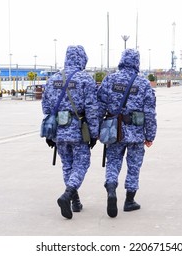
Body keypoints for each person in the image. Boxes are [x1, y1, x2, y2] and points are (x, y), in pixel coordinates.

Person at [97, 48, 157, 218]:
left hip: (114, 131)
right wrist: (150, 135)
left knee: (113, 162)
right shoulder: (143, 83)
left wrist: (97, 130)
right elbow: (150, 113)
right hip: (136, 134)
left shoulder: (110, 79)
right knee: (134, 166)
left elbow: (99, 106)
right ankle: (129, 201)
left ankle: (111, 189)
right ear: (137, 62)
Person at [41, 45, 99, 220]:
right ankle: (67, 195)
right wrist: (94, 133)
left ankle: (75, 202)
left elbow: (46, 107)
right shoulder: (85, 79)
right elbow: (92, 109)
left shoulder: (52, 80)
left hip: (58, 129)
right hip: (78, 130)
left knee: (67, 165)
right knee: (82, 164)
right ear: (82, 59)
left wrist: (51, 134)